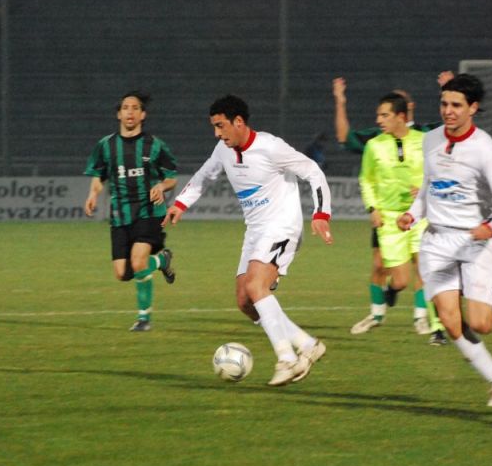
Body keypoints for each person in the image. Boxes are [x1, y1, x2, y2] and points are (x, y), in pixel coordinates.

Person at [163, 94, 332, 386]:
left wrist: (321, 214)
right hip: (255, 230)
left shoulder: (271, 147)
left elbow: (313, 172)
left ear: (238, 121)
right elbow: (204, 176)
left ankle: (287, 359)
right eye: (214, 127)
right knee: (245, 301)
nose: (217, 133)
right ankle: (307, 344)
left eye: (220, 126)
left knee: (256, 286)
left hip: (282, 227)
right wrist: (181, 204)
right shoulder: (223, 150)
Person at [397, 73, 492, 406]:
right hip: (436, 242)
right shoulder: (430, 140)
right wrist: (412, 213)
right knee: (451, 322)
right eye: (444, 104)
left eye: (456, 105)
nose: (448, 111)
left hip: (475, 242)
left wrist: (491, 228)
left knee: (480, 323)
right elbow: (428, 187)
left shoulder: (484, 148)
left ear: (473, 108)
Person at [349, 91, 449, 345]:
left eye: (385, 115)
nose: (379, 120)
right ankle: (392, 291)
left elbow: (439, 172)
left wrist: (426, 188)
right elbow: (366, 179)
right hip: (390, 220)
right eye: (379, 115)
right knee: (401, 280)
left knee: (426, 269)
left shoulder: (424, 141)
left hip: (419, 215)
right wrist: (373, 209)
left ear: (401, 116)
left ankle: (437, 328)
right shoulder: (374, 146)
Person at [84, 90, 177, 332]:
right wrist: (93, 194)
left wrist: (161, 186)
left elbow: (171, 178)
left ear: (143, 115)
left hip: (149, 212)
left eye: (135, 108)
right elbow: (98, 175)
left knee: (138, 262)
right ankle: (161, 260)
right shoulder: (106, 145)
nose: (130, 112)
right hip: (120, 216)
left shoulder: (154, 145)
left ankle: (144, 318)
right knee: (122, 273)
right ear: (118, 114)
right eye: (125, 107)